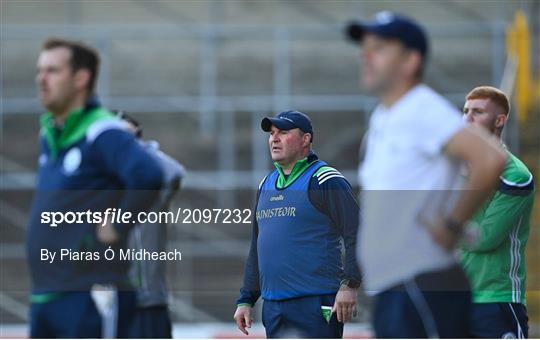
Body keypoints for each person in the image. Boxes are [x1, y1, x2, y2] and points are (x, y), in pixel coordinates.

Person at [345, 12, 507, 337]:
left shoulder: (421, 108)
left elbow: (490, 159)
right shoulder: (385, 116)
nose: (366, 55)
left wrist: (452, 225)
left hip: (421, 284)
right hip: (394, 289)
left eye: (379, 48)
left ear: (410, 61)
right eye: (365, 48)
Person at [28, 38, 163, 338]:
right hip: (46, 294)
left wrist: (117, 225)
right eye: (40, 71)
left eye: (52, 71)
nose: (41, 79)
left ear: (81, 78)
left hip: (89, 293)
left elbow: (150, 174)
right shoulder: (50, 134)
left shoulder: (101, 130)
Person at [233, 110, 362, 338]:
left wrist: (349, 285)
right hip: (273, 305)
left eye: (283, 132)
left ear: (306, 139)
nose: (274, 138)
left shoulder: (325, 179)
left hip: (315, 301)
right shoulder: (266, 184)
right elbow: (257, 247)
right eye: (272, 133)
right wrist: (246, 299)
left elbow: (358, 233)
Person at [461, 86, 534, 339]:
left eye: (477, 112)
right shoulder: (453, 168)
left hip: (496, 298)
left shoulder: (516, 175)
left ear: (500, 120)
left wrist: (442, 228)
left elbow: (485, 237)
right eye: (465, 111)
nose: (467, 118)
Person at [117, 111, 186, 338]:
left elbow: (174, 172)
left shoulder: (153, 192)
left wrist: (141, 150)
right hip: (108, 306)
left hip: (148, 304)